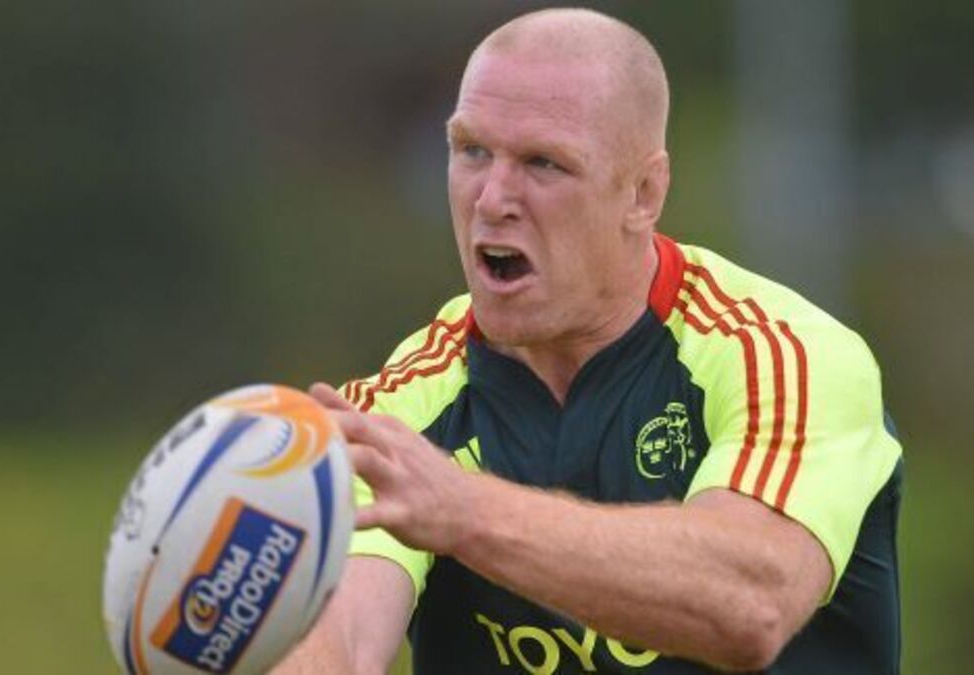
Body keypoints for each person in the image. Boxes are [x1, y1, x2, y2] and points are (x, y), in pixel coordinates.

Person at [278, 8, 902, 674]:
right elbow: (340, 641)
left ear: (642, 193)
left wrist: (464, 510)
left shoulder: (784, 356)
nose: (491, 198)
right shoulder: (405, 406)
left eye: (543, 163)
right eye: (472, 151)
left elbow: (750, 604)